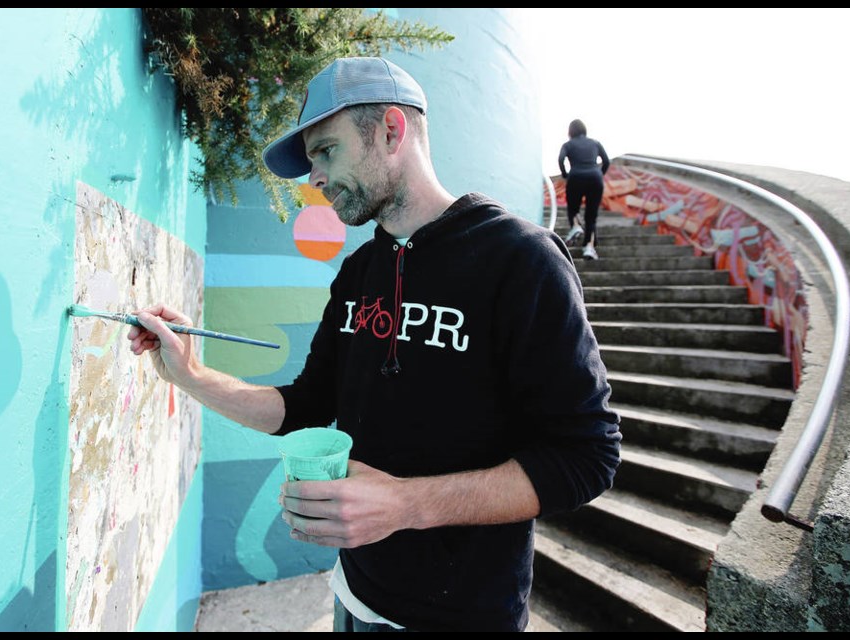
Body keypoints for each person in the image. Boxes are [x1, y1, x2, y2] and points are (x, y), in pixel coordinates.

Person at [128, 57, 621, 632]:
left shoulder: (522, 261)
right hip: (354, 595)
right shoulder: (359, 270)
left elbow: (588, 457)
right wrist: (189, 373)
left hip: (461, 617)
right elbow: (304, 407)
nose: (313, 178)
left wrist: (407, 504)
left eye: (326, 151)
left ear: (391, 130)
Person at [558, 119, 611, 260]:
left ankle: (575, 226)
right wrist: (600, 174)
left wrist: (565, 174)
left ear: (570, 131)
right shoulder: (595, 143)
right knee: (591, 216)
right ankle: (589, 247)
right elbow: (606, 161)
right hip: (595, 178)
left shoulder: (568, 145)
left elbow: (561, 159)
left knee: (572, 208)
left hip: (575, 177)